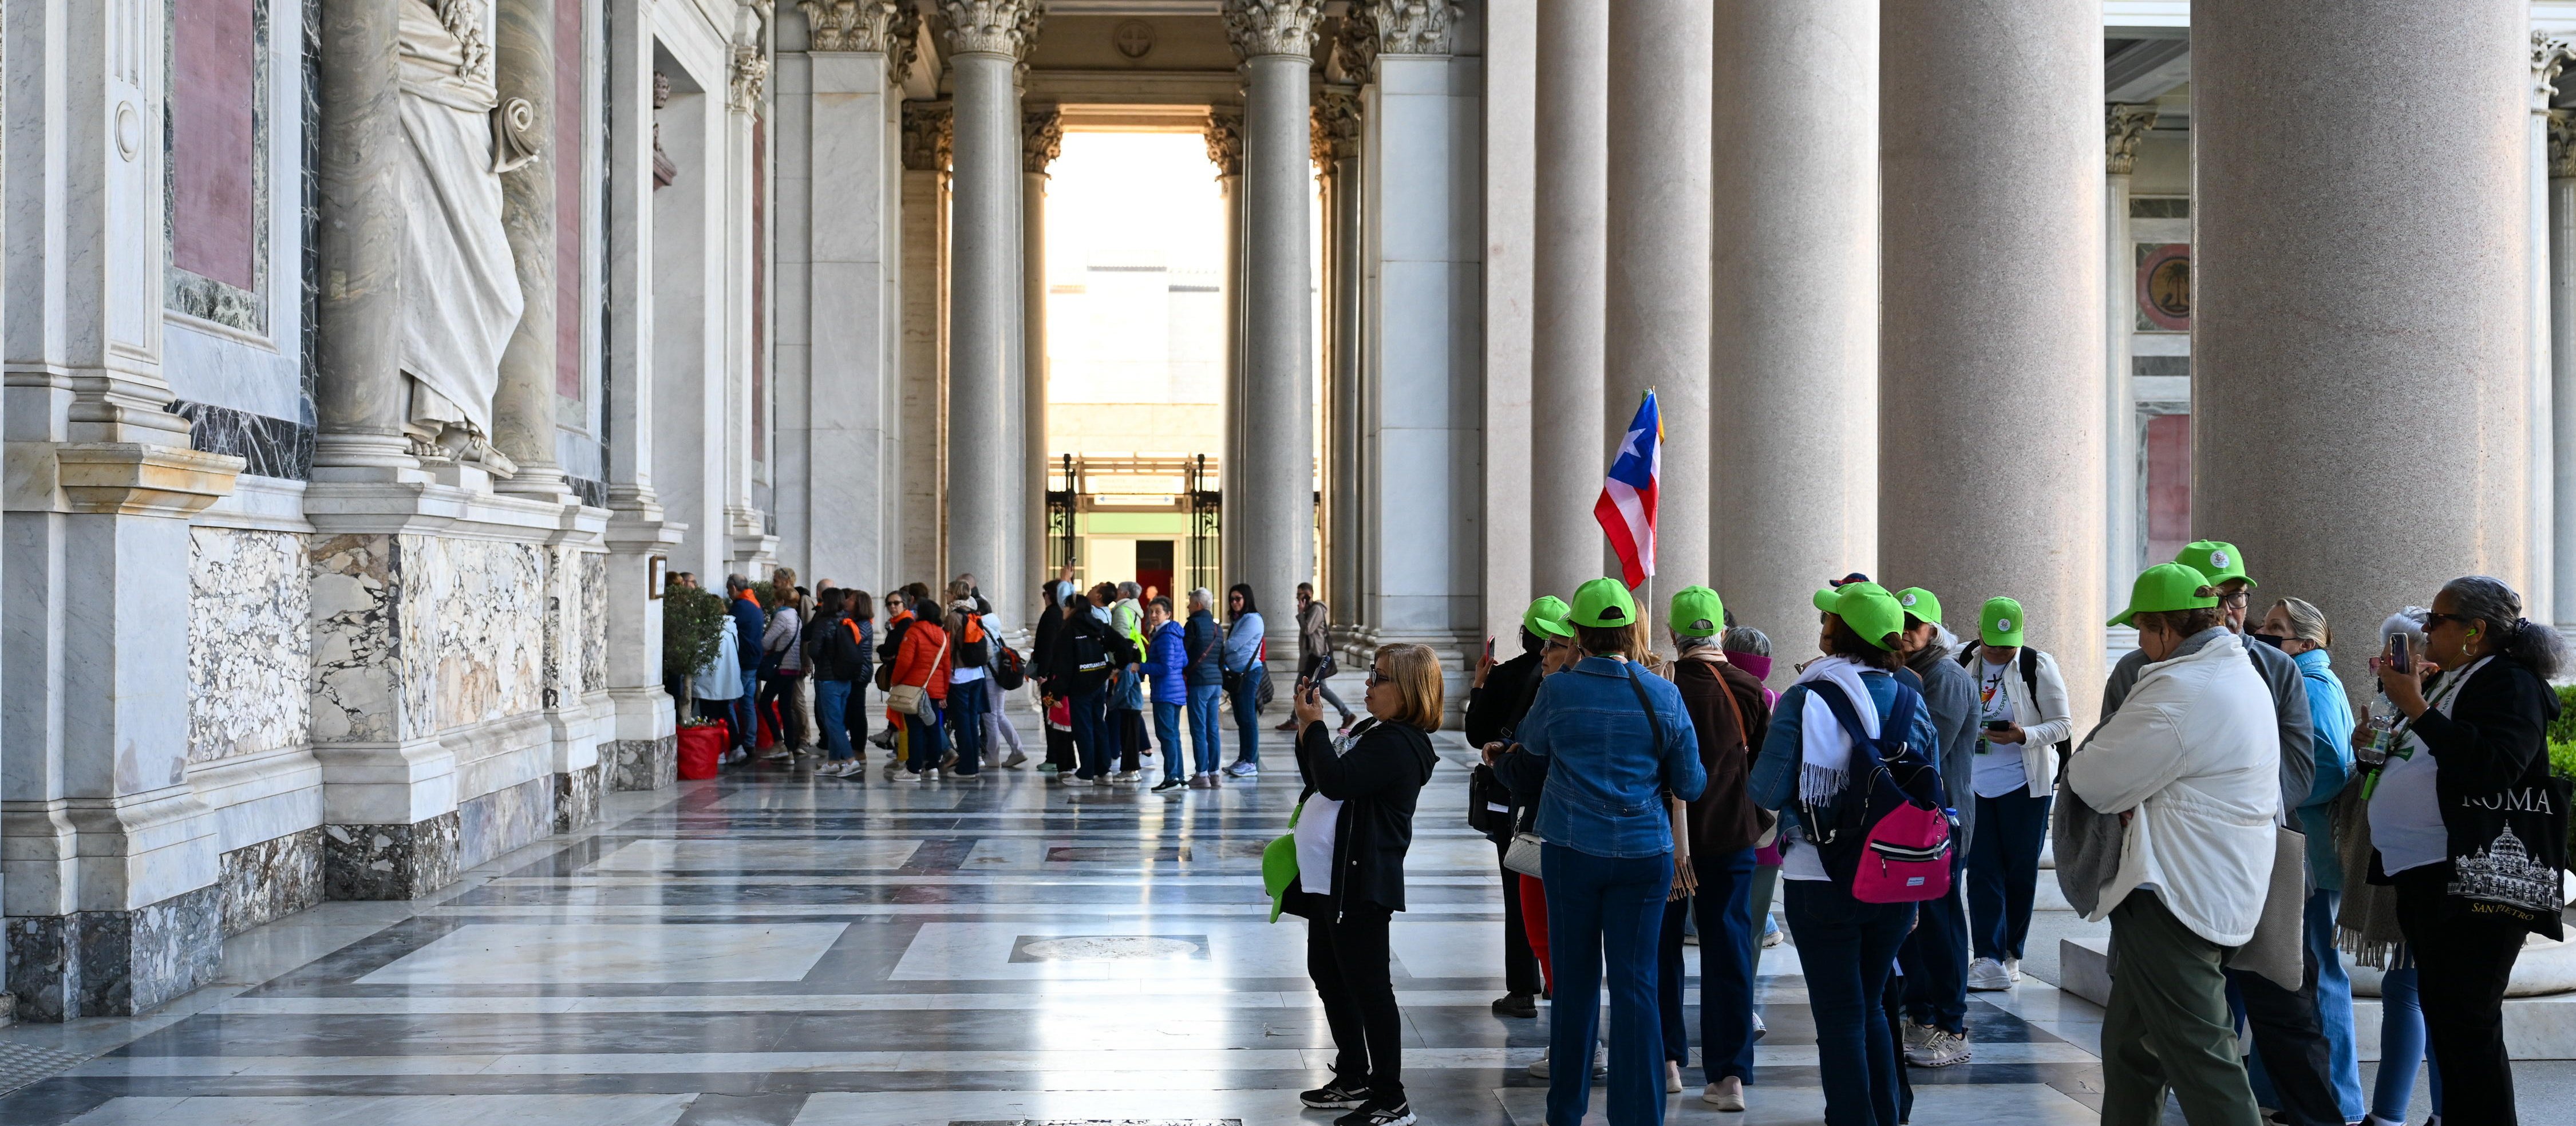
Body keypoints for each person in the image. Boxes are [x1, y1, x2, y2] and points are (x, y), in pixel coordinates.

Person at [2098, 542, 2336, 1125]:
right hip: (2159, 872)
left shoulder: (2273, 667)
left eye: (2239, 595)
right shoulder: (2136, 668)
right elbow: (2106, 759)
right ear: (2190, 603)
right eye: (2220, 595)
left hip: (2256, 862)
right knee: (2139, 1035)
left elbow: (2300, 769)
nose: (2233, 607)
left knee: (2282, 1011)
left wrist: (2224, 801)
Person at [2064, 562, 2280, 1126]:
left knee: (2204, 1060)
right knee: (2132, 1048)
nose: (2138, 642)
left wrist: (2132, 787)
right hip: (2199, 880)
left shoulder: (2185, 688)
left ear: (2166, 627)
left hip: (2174, 892)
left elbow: (2090, 775)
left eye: (2141, 627)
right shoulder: (2234, 670)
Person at [1493, 578, 1705, 1126]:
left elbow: (1532, 750)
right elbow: (1692, 781)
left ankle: (1565, 1111)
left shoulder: (1558, 690)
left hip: (1572, 850)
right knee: (1637, 985)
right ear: (1632, 631)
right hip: (1644, 853)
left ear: (1580, 635)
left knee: (1575, 984)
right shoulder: (1664, 692)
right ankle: (1639, 1116)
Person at [2368, 575, 2566, 1126]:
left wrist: (2418, 708)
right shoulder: (2454, 679)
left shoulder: (2510, 683)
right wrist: (2380, 743)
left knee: (2468, 1025)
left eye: (2436, 621)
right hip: (2426, 875)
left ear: (2475, 632)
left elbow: (2496, 768)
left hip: (2471, 877)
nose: (2425, 630)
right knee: (2450, 1023)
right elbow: (2425, 758)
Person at [1745, 580, 1942, 1126]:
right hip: (1894, 874)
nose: (1821, 626)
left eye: (1829, 620)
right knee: (1874, 1002)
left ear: (1841, 634)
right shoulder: (1910, 696)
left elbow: (1764, 789)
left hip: (1820, 876)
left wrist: (1800, 810)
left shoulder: (1808, 697)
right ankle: (1885, 1113)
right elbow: (1930, 782)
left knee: (1839, 1014)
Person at [1287, 643, 1444, 1126]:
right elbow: (1320, 774)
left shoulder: (1399, 744)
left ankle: (1391, 1095)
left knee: (1370, 986)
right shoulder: (1375, 729)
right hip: (1329, 879)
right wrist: (1306, 730)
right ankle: (1354, 1072)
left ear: (1409, 690)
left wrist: (1314, 724)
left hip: (1360, 880)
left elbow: (1335, 781)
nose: (1368, 684)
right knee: (1330, 972)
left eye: (1379, 678)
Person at [1656, 586, 1772, 1111]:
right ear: (1720, 632)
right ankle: (1729, 1078)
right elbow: (1768, 770)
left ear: (1674, 635)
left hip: (1665, 840)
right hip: (1730, 837)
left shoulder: (1660, 685)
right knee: (1729, 951)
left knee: (1660, 948)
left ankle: (1667, 1060)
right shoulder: (1749, 687)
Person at [2248, 596, 2362, 1121]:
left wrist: (2268, 793)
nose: (2264, 633)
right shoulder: (2298, 679)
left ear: (2307, 642)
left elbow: (2328, 765)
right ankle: (2279, 1094)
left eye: (2277, 627)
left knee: (2318, 976)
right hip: (2301, 849)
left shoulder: (2312, 685)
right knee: (2288, 977)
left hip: (2309, 852)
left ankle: (2337, 1098)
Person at [1956, 596, 2074, 993]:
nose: (2002, 652)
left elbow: (2062, 725)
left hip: (2026, 785)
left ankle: (2011, 954)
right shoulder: (1960, 662)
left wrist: (2024, 735)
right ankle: (1987, 956)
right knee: (1983, 870)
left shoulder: (2037, 665)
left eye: (2009, 645)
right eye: (1994, 644)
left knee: (2020, 871)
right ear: (1979, 633)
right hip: (1975, 784)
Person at [1466, 596, 1572, 1020]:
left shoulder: (1507, 675)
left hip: (1515, 801)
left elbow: (1476, 733)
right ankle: (1555, 978)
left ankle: (1522, 988)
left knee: (1520, 892)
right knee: (1558, 897)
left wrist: (1479, 684)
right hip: (1564, 803)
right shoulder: (1570, 681)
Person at [1888, 586, 1979, 1069]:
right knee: (1917, 926)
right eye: (1900, 621)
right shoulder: (1912, 673)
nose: (1904, 632)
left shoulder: (1944, 677)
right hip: (1915, 820)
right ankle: (1923, 1015)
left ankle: (1953, 1023)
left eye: (1914, 624)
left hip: (1942, 822)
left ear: (1934, 630)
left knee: (1941, 924)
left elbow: (1924, 753)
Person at [1052, 585, 1124, 783]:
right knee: (1098, 725)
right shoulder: (1096, 625)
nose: (1064, 611)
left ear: (1073, 609)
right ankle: (1103, 771)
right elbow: (1120, 643)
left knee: (1083, 729)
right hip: (1098, 682)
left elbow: (1065, 666)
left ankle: (1086, 774)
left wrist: (1056, 693)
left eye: (1066, 607)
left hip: (1080, 686)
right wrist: (1114, 666)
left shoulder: (1069, 631)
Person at [889, 594, 953, 780]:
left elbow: (904, 662)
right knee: (933, 727)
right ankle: (933, 767)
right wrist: (944, 692)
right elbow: (946, 666)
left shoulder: (914, 632)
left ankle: (914, 769)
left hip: (914, 689)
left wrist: (895, 681)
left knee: (915, 728)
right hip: (934, 690)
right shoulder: (943, 635)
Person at [1282, 582, 1358, 731]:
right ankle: (1294, 719)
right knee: (1306, 687)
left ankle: (1346, 713)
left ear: (1309, 595)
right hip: (1311, 658)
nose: (1299, 598)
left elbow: (1308, 629)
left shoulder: (1316, 609)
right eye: (1298, 595)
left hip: (1316, 657)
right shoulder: (1310, 610)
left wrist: (1302, 613)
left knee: (1308, 687)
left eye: (1301, 594)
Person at [809, 589, 868, 778]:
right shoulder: (848, 621)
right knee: (838, 720)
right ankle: (833, 762)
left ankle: (850, 761)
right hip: (846, 679)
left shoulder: (823, 622)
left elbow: (814, 650)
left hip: (827, 679)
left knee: (832, 722)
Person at [1222, 583, 1269, 777]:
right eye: (1232, 599)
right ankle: (1244, 758)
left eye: (1238, 599)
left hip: (1248, 673)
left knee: (1248, 717)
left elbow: (1233, 645)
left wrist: (1219, 645)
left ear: (1246, 599)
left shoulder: (1252, 619)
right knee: (1241, 717)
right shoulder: (1241, 619)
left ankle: (1250, 761)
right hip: (1238, 674)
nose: (1234, 603)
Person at [944, 599, 993, 779]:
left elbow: (947, 649)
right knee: (973, 722)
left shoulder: (953, 618)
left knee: (962, 724)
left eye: (949, 593)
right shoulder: (974, 616)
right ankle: (974, 764)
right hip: (977, 675)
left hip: (960, 678)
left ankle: (966, 768)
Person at [757, 584, 808, 760]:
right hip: (793, 668)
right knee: (786, 707)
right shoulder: (797, 617)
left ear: (782, 601)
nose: (774, 603)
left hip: (781, 667)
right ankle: (790, 750)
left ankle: (779, 742)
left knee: (765, 702)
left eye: (776, 600)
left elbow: (766, 642)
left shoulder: (782, 616)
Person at [1145, 596, 1191, 792]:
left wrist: (1141, 667)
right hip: (1176, 690)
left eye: (1158, 611)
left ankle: (1172, 777)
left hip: (1165, 692)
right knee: (1173, 735)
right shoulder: (1175, 634)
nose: (1153, 615)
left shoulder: (1164, 636)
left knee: (1167, 735)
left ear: (1168, 614)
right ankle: (1178, 777)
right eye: (1151, 612)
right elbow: (1184, 662)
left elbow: (1165, 667)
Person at [1184, 588, 1227, 787]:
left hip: (1199, 682)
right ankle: (1214, 774)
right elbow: (1221, 658)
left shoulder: (1193, 624)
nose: (1188, 606)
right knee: (1213, 728)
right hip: (1215, 682)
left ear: (1198, 605)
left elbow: (1185, 653)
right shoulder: (1218, 628)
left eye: (1191, 603)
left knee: (1198, 728)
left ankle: (1201, 774)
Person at [724, 575, 768, 758]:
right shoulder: (754, 603)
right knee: (748, 702)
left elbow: (727, 626)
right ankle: (750, 742)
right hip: (755, 659)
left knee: (730, 700)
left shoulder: (741, 606)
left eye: (728, 590)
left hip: (744, 661)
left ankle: (737, 744)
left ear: (734, 588)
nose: (728, 593)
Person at [1111, 581, 1150, 781]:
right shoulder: (1134, 610)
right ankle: (1131, 767)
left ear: (1125, 593)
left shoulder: (1121, 611)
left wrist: (1117, 665)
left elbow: (1120, 641)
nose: (1116, 594)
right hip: (1134, 660)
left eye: (1118, 591)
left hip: (1125, 664)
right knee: (1130, 729)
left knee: (1128, 731)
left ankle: (1130, 769)